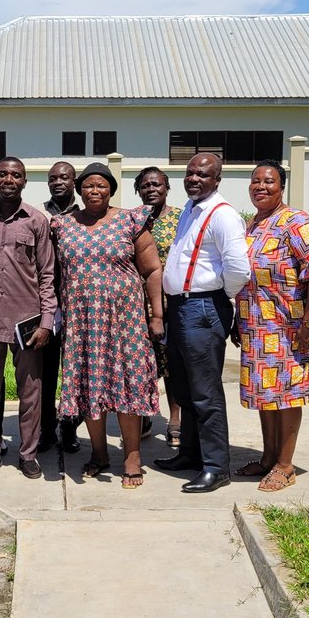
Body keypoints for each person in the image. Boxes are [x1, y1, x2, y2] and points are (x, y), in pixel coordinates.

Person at [51, 163, 164, 489]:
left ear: (111, 189)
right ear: (79, 190)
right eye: (88, 186)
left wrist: (156, 315)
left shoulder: (131, 221)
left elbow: (152, 270)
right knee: (89, 389)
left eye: (101, 185)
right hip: (83, 325)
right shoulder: (64, 225)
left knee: (127, 387)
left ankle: (131, 457)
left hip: (124, 324)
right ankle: (99, 453)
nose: (94, 191)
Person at [234, 160, 309, 492]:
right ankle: (268, 458)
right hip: (258, 325)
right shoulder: (251, 225)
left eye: (269, 181)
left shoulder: (295, 221)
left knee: (288, 394)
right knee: (266, 395)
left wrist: (308, 325)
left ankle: (285, 466)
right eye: (255, 181)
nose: (261, 187)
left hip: (293, 324)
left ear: (281, 187)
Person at [153, 153, 251, 494]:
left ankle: (215, 467)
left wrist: (215, 298)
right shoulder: (192, 210)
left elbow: (238, 268)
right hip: (181, 309)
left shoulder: (223, 216)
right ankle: (191, 455)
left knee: (206, 392)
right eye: (191, 173)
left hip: (202, 309)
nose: (194, 178)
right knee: (184, 388)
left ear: (217, 180)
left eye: (203, 174)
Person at [0, 158, 57, 480]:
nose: (9, 179)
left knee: (31, 391)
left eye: (15, 175)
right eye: (3, 174)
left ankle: (28, 454)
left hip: (26, 320)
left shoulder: (36, 220)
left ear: (23, 181)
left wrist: (47, 321)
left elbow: (47, 274)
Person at [135, 166, 184, 447]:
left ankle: (175, 417)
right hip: (136, 304)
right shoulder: (132, 220)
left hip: (172, 302)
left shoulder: (181, 218)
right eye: (145, 185)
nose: (151, 189)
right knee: (142, 363)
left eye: (156, 184)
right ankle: (143, 414)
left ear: (166, 188)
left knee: (172, 363)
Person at [39, 161, 81, 453]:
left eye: (64, 177)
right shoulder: (39, 215)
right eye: (53, 178)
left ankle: (69, 427)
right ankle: (45, 429)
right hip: (45, 303)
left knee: (74, 370)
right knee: (44, 371)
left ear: (74, 181)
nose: (58, 182)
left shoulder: (84, 216)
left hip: (77, 303)